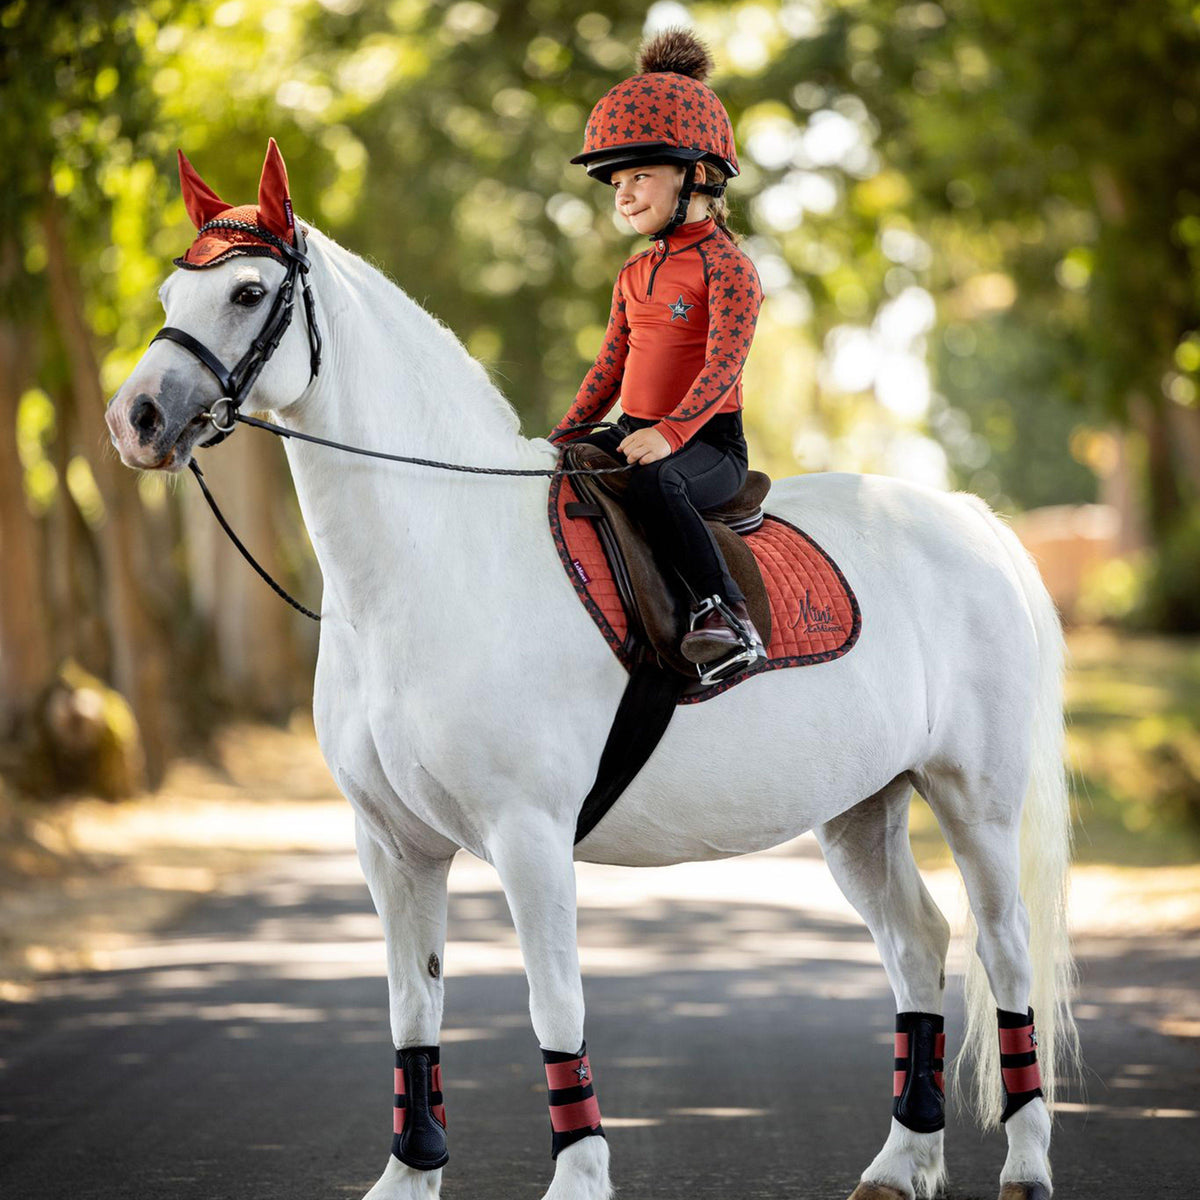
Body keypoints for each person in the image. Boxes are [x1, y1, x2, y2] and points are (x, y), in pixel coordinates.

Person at [550, 28, 766, 673]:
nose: (623, 194)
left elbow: (724, 365)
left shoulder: (729, 268)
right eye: (617, 180)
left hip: (706, 444)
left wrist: (670, 434)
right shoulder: (633, 272)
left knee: (657, 481)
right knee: (569, 466)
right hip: (639, 429)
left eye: (640, 175)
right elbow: (609, 367)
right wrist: (564, 433)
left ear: (695, 176)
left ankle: (726, 615)